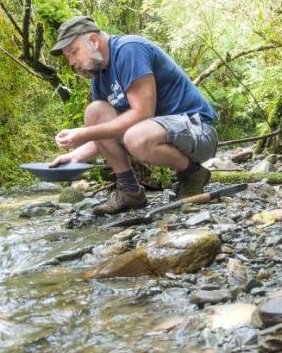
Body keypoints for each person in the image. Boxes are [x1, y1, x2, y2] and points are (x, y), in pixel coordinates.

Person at [49, 16, 218, 215]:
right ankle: (130, 190)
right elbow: (106, 135)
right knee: (95, 112)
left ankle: (192, 174)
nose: (72, 62)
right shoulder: (100, 80)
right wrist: (75, 157)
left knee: (135, 137)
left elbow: (142, 113)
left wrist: (83, 134)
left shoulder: (129, 49)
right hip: (157, 135)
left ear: (93, 41)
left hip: (200, 132)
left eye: (73, 52)